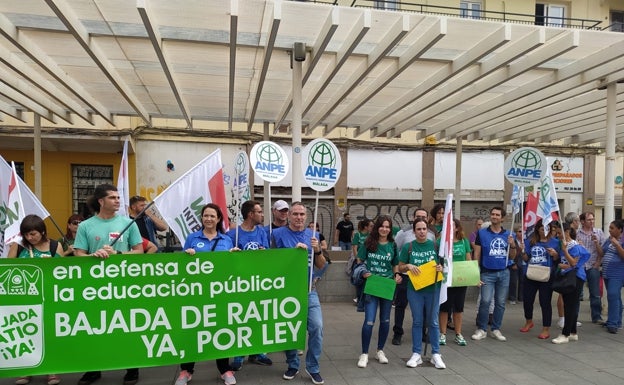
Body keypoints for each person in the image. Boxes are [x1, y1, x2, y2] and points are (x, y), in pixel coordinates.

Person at [73, 184, 143, 385]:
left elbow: (139, 251)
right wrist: (92, 256)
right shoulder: (86, 226)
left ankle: (132, 368)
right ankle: (93, 369)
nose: (118, 200)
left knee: (128, 326)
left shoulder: (128, 223)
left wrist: (118, 254)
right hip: (94, 288)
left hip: (123, 286)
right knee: (93, 327)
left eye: (118, 197)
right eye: (112, 197)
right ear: (101, 201)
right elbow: (79, 253)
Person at [175, 203, 238, 385]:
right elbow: (180, 265)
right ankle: (186, 370)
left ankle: (225, 369)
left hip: (219, 294)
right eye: (205, 216)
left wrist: (235, 256)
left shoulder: (226, 240)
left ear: (218, 219)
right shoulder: (193, 238)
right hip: (195, 294)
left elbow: (231, 267)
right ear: (201, 218)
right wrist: (186, 255)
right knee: (191, 330)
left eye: (212, 216)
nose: (208, 219)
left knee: (221, 329)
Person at [272, 202, 327, 385]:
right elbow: (270, 263)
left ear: (306, 216)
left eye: (302, 214)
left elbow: (321, 265)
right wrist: (292, 255)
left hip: (309, 290)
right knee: (290, 330)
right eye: (295, 214)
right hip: (286, 291)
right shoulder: (277, 234)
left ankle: (313, 367)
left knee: (317, 327)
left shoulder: (314, 235)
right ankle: (293, 364)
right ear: (289, 216)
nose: (299, 217)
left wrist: (317, 249)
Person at [7, 215, 63, 385]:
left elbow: (61, 271)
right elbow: (8, 269)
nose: (29, 238)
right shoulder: (18, 246)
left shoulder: (54, 245)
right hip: (24, 297)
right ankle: (26, 370)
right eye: (26, 234)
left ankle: (51, 370)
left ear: (42, 231)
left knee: (49, 334)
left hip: (49, 296)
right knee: (26, 333)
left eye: (33, 234)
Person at [226, 200, 272, 370]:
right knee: (240, 319)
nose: (262, 215)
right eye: (259, 212)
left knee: (258, 318)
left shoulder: (261, 232)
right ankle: (239, 355)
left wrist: (264, 254)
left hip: (259, 283)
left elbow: (266, 255)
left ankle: (258, 352)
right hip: (240, 284)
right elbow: (228, 260)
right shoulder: (233, 234)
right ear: (250, 214)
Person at [398, 218, 446, 369]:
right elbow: (400, 267)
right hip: (415, 289)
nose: (421, 232)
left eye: (424, 229)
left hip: (433, 289)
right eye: (418, 229)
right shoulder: (408, 247)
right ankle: (416, 354)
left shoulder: (435, 245)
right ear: (414, 231)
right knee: (417, 321)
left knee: (433, 321)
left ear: (428, 230)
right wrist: (408, 266)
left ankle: (436, 354)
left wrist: (441, 268)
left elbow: (444, 264)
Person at [356, 215, 401, 368]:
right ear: (377, 227)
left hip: (387, 285)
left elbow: (395, 264)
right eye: (382, 226)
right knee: (369, 321)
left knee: (385, 320)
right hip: (372, 285)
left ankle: (380, 350)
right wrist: (363, 272)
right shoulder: (369, 242)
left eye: (388, 227)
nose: (385, 229)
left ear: (390, 229)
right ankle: (364, 353)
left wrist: (397, 275)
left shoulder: (393, 245)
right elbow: (359, 261)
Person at [471, 206, 517, 342]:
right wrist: (475, 272)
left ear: (502, 218)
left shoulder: (509, 235)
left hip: (504, 272)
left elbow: (513, 256)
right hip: (487, 272)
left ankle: (496, 328)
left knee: (501, 303)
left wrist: (513, 244)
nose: (494, 216)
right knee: (485, 301)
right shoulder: (482, 233)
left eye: (497, 215)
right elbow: (477, 253)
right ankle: (482, 329)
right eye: (492, 214)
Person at [392, 208, 433, 345]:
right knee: (401, 305)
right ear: (413, 217)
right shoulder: (403, 233)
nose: (421, 219)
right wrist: (397, 272)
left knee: (424, 308)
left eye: (424, 216)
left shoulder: (432, 235)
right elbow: (395, 251)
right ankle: (398, 333)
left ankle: (422, 332)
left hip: (424, 278)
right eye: (418, 216)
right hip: (406, 276)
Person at [518, 220, 559, 340]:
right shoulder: (531, 242)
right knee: (527, 300)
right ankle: (528, 321)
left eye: (547, 229)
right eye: (542, 229)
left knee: (545, 302)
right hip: (531, 274)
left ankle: (546, 328)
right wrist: (522, 251)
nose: (544, 232)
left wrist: (555, 255)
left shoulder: (556, 242)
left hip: (546, 276)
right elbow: (526, 259)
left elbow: (558, 259)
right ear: (537, 230)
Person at [552, 223, 590, 343]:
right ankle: (573, 332)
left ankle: (565, 334)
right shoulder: (566, 245)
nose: (557, 236)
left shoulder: (575, 246)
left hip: (576, 277)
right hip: (568, 276)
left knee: (570, 306)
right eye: (557, 233)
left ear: (567, 232)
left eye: (559, 233)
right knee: (570, 304)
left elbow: (574, 263)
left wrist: (564, 252)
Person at [439, 218, 472, 347]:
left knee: (458, 308)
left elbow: (468, 260)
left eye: (452, 226)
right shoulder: (441, 242)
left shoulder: (464, 242)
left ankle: (458, 334)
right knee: (444, 307)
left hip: (460, 279)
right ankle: (443, 333)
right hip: (446, 280)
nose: (450, 228)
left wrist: (473, 277)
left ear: (457, 228)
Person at [577, 212, 606, 324]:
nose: (592, 221)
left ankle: (596, 316)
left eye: (593, 219)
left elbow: (602, 252)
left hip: (593, 265)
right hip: (581, 265)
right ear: (583, 222)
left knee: (595, 293)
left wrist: (597, 243)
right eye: (589, 220)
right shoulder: (578, 233)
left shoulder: (598, 232)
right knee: (577, 292)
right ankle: (575, 317)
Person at [598, 220, 624, 334]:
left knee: (613, 295)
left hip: (617, 273)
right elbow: (602, 253)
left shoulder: (621, 241)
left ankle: (613, 324)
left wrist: (617, 245)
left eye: (612, 228)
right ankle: (616, 321)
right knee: (615, 297)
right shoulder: (609, 240)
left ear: (620, 230)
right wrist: (595, 244)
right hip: (607, 273)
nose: (609, 230)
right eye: (609, 228)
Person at [351, 218, 373, 309]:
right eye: (371, 226)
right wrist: (358, 259)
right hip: (360, 261)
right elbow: (355, 248)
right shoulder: (358, 235)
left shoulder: (371, 236)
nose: (373, 227)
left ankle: (367, 298)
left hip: (369, 261)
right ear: (365, 227)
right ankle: (359, 298)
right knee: (358, 280)